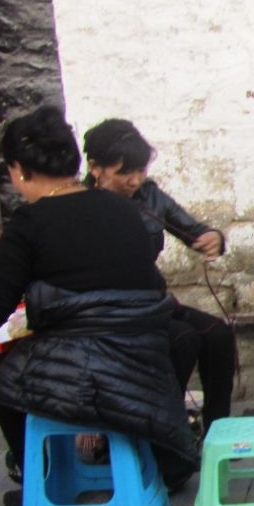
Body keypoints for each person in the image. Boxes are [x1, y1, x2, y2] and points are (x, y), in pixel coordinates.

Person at [0, 106, 199, 506]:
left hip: (92, 375)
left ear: (18, 170)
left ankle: (36, 482)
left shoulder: (31, 223)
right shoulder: (126, 211)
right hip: (147, 364)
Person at [82, 119, 236, 438]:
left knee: (218, 334)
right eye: (124, 172)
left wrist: (212, 238)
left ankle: (216, 433)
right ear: (96, 168)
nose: (135, 180)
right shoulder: (78, 204)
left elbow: (192, 230)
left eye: (141, 170)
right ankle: (161, 432)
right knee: (183, 339)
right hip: (108, 313)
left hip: (152, 302)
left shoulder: (150, 196)